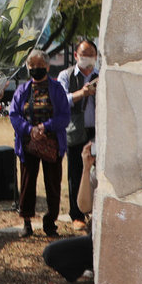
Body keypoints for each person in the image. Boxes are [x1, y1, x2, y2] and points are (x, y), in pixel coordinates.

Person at [9, 49, 70, 238]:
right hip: (28, 144)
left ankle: (50, 222)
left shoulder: (57, 88)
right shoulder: (22, 90)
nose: (36, 69)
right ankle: (27, 222)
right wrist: (30, 130)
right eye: (32, 66)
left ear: (47, 67)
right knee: (27, 184)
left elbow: (64, 116)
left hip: (52, 144)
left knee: (53, 184)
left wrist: (45, 127)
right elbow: (14, 114)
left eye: (40, 66)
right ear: (28, 67)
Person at [57, 39, 98, 231]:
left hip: (97, 130)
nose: (87, 59)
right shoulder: (65, 76)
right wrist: (81, 93)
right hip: (75, 130)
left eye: (91, 55)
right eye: (84, 55)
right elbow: (60, 101)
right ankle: (77, 215)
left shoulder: (101, 75)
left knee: (98, 172)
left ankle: (96, 210)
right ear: (76, 56)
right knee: (75, 172)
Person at [42, 140, 96, 281]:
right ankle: (86, 268)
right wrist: (86, 169)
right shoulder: (98, 172)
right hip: (96, 240)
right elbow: (84, 207)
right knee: (50, 253)